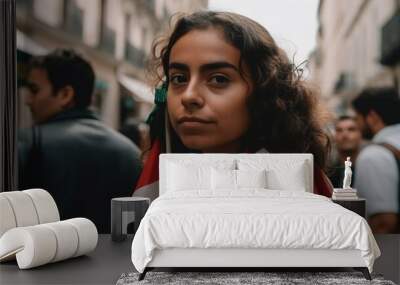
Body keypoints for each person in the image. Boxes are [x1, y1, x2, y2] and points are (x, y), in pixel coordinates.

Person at [133, 11, 333, 200]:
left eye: (219, 79)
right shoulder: (160, 181)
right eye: (178, 78)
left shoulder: (300, 189)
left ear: (265, 91)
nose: (189, 96)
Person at [18, 49, 142, 233]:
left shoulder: (29, 141)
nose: (28, 100)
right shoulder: (132, 153)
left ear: (65, 95)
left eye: (35, 90)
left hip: (43, 257)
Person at [352, 87, 400, 233]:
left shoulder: (373, 156)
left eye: (357, 118)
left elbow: (383, 222)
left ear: (372, 117)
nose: (357, 125)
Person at [328, 116, 362, 188]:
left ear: (360, 135)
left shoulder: (367, 170)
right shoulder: (328, 174)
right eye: (339, 130)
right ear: (334, 137)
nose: (345, 134)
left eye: (351, 129)